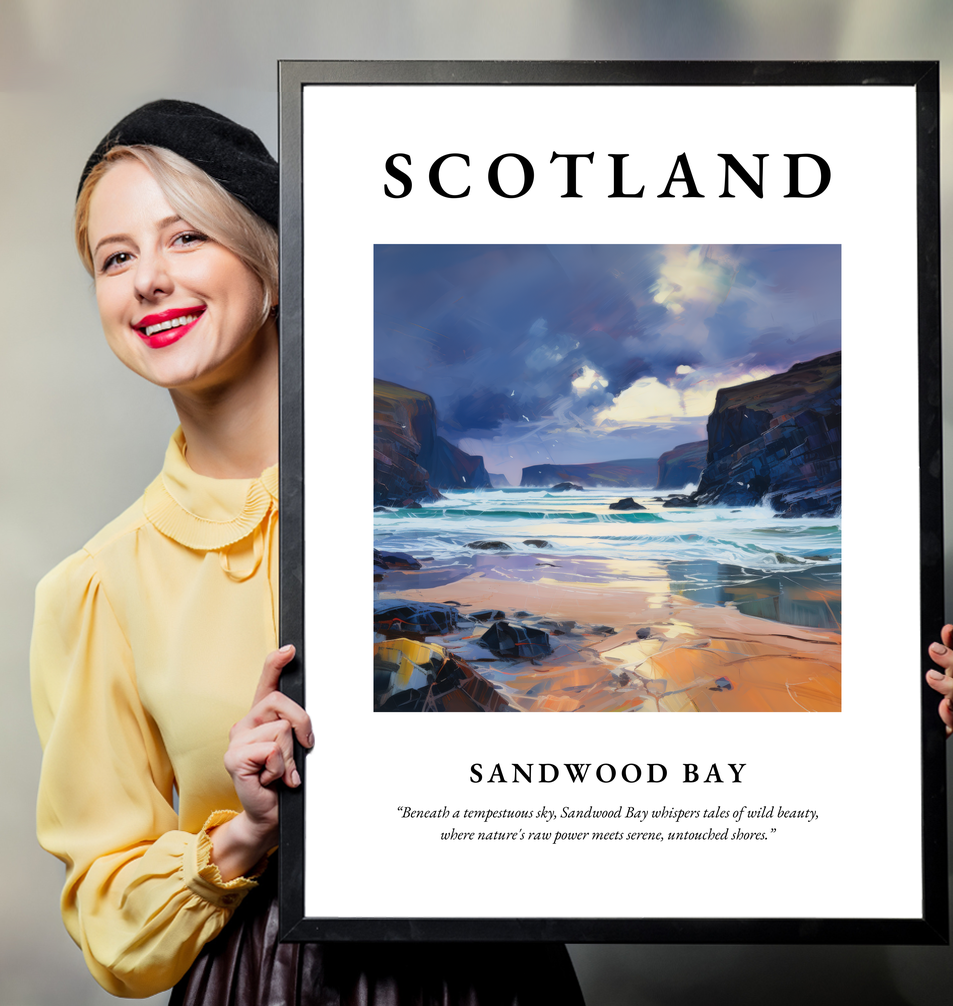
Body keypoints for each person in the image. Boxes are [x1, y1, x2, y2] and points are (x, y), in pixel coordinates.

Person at [30, 100, 585, 1004]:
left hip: (493, 972)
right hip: (265, 981)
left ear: (273, 264)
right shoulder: (97, 586)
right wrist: (245, 832)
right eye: (116, 257)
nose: (148, 281)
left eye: (186, 239)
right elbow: (110, 924)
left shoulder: (421, 524)